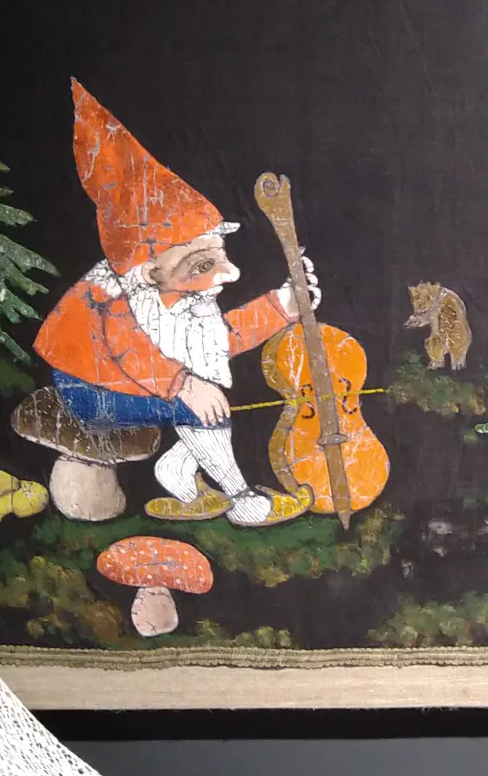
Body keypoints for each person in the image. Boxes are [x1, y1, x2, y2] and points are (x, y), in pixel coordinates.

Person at [34, 80, 315, 528]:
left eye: (221, 257)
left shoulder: (179, 297)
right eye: (204, 264)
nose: (229, 274)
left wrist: (283, 306)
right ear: (150, 271)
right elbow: (130, 353)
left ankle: (179, 476)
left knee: (205, 400)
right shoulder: (111, 298)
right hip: (90, 390)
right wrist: (185, 386)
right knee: (201, 405)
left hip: (135, 379)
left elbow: (219, 338)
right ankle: (244, 502)